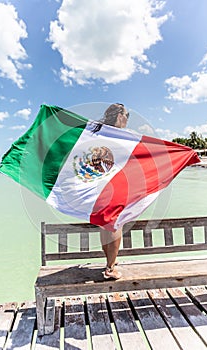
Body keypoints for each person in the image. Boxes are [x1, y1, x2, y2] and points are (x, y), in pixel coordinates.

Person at [92, 103, 129, 279]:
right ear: (119, 116)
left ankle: (110, 262)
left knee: (105, 223)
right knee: (115, 223)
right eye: (127, 116)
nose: (128, 120)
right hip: (115, 186)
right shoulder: (120, 136)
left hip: (99, 185)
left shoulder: (98, 133)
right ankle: (110, 268)